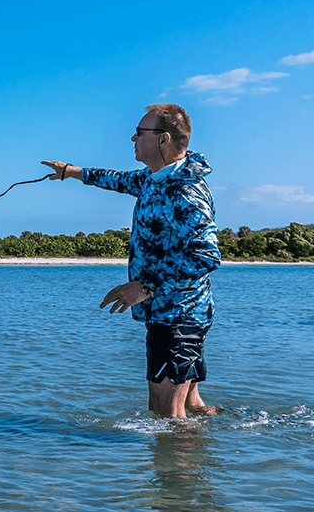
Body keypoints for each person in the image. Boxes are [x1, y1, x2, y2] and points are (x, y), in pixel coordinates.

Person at [41, 103, 221, 420]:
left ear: (164, 139)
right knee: (192, 407)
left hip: (179, 317)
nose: (132, 138)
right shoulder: (155, 179)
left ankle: (181, 468)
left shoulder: (186, 191)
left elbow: (205, 256)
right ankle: (224, 458)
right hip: (173, 314)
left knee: (166, 415)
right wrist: (70, 172)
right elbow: (117, 179)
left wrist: (146, 287)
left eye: (139, 132)